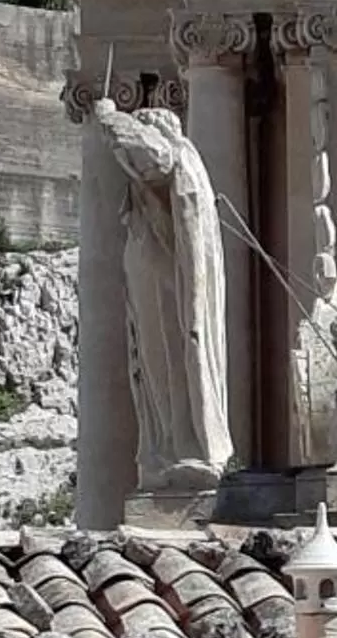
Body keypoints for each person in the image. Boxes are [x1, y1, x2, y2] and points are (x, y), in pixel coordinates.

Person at [91, 99, 232, 488]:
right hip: (152, 286)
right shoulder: (148, 191)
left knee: (175, 363)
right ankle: (167, 450)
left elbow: (155, 157)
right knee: (155, 373)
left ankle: (191, 448)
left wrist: (110, 117)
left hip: (172, 289)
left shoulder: (178, 158)